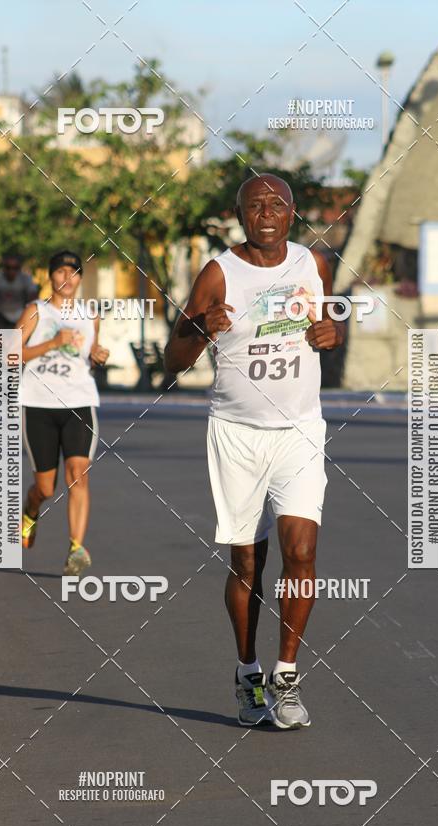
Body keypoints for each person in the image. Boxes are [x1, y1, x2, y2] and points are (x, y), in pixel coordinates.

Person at [165, 174, 345, 729]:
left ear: (293, 213)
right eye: (254, 205)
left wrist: (330, 334)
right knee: (247, 561)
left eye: (276, 204)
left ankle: (286, 678)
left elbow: (331, 321)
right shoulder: (220, 273)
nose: (265, 213)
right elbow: (173, 360)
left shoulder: (314, 264)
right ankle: (248, 672)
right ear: (240, 215)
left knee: (302, 551)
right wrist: (200, 328)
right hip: (236, 434)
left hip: (299, 431)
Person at [17, 250, 109, 575]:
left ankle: (76, 550)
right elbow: (9, 354)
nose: (68, 279)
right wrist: (52, 343)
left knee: (78, 475)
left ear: (80, 279)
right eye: (61, 272)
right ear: (51, 276)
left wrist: (98, 355)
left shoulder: (90, 314)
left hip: (79, 403)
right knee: (45, 488)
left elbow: (92, 356)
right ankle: (30, 511)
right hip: (39, 405)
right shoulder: (36, 312)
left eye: (74, 273)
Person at [0, 253, 38, 329]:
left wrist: (33, 320)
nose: (11, 271)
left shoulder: (25, 279)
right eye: (8, 268)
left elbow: (33, 300)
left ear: (19, 268)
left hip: (19, 316)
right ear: (4, 268)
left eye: (15, 268)